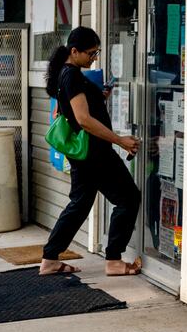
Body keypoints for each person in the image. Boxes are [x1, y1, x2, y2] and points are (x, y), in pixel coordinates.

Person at [40, 27, 143, 277]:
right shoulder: (72, 75)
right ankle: (114, 260)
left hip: (83, 155)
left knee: (80, 204)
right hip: (95, 154)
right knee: (128, 199)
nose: (94, 58)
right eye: (91, 53)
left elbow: (77, 108)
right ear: (74, 51)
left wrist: (99, 96)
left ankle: (50, 258)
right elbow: (84, 119)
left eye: (96, 52)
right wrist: (120, 140)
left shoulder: (67, 74)